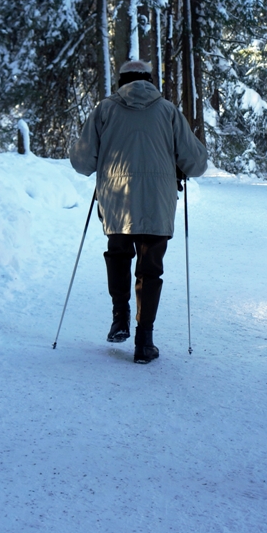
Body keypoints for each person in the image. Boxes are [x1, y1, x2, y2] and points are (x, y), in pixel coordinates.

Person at [69, 59, 208, 364]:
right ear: (149, 80)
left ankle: (120, 319)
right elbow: (196, 164)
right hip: (158, 202)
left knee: (118, 255)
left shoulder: (104, 110)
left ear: (121, 81)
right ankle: (145, 342)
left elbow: (82, 163)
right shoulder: (168, 111)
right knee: (150, 269)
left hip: (116, 202)